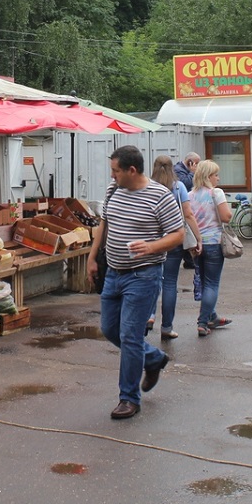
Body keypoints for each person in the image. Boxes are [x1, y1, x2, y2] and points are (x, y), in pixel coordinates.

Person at [87, 145, 185, 420]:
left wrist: (153, 246)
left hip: (143, 275)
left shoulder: (160, 196)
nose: (112, 175)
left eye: (116, 171)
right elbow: (103, 224)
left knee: (130, 336)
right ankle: (153, 358)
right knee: (109, 329)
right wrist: (92, 258)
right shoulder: (113, 190)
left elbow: (178, 234)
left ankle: (129, 399)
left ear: (132, 170)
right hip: (114, 272)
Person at [146, 155, 201, 340]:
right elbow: (188, 214)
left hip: (151, 242)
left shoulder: (146, 187)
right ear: (172, 168)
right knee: (169, 283)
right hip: (172, 240)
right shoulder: (179, 187)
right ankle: (167, 327)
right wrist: (198, 239)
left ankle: (150, 316)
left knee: (151, 281)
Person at [187, 160, 233, 338]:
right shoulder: (216, 193)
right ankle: (203, 322)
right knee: (212, 284)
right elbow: (226, 216)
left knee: (205, 283)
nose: (218, 178)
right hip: (214, 242)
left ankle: (212, 316)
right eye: (215, 175)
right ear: (207, 177)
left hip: (196, 245)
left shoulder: (190, 195)